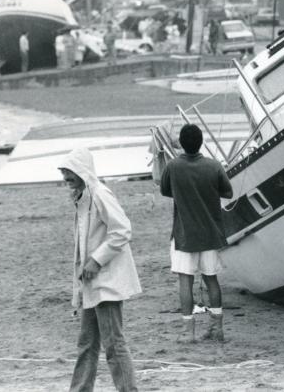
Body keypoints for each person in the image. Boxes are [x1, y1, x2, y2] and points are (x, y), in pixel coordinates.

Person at [60, 147, 141, 392]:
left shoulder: (100, 194)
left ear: (82, 171)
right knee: (87, 343)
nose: (66, 178)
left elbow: (122, 230)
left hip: (107, 281)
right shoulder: (83, 196)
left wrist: (96, 260)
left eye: (69, 172)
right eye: (64, 173)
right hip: (91, 283)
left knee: (114, 344)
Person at [160, 124, 234, 343]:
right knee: (212, 280)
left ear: (181, 143)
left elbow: (165, 191)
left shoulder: (173, 166)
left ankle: (188, 332)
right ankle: (217, 329)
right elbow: (227, 192)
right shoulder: (214, 166)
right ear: (201, 142)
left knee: (186, 281)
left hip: (184, 235)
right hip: (210, 233)